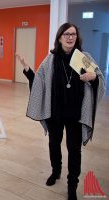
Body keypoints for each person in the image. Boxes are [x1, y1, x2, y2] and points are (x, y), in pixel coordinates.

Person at [16, 23, 105, 200]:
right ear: (59, 37)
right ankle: (55, 172)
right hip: (55, 112)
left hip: (75, 113)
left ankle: (72, 184)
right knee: (53, 144)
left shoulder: (82, 57)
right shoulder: (51, 59)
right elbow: (40, 82)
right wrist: (26, 68)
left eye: (73, 34)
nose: (70, 37)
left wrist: (94, 77)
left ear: (76, 37)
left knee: (74, 150)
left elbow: (99, 78)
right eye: (66, 34)